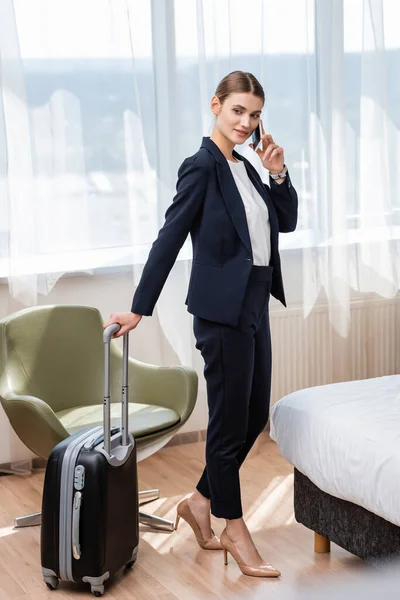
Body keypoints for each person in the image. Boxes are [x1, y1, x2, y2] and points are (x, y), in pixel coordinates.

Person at [104, 71, 298, 578]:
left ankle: (196, 501)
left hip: (255, 305)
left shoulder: (247, 168)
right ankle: (233, 526)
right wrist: (139, 308)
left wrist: (278, 173)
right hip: (220, 314)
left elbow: (285, 222)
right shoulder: (201, 168)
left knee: (253, 416)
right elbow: (167, 241)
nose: (245, 122)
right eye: (237, 111)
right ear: (216, 105)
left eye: (254, 115)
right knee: (228, 424)